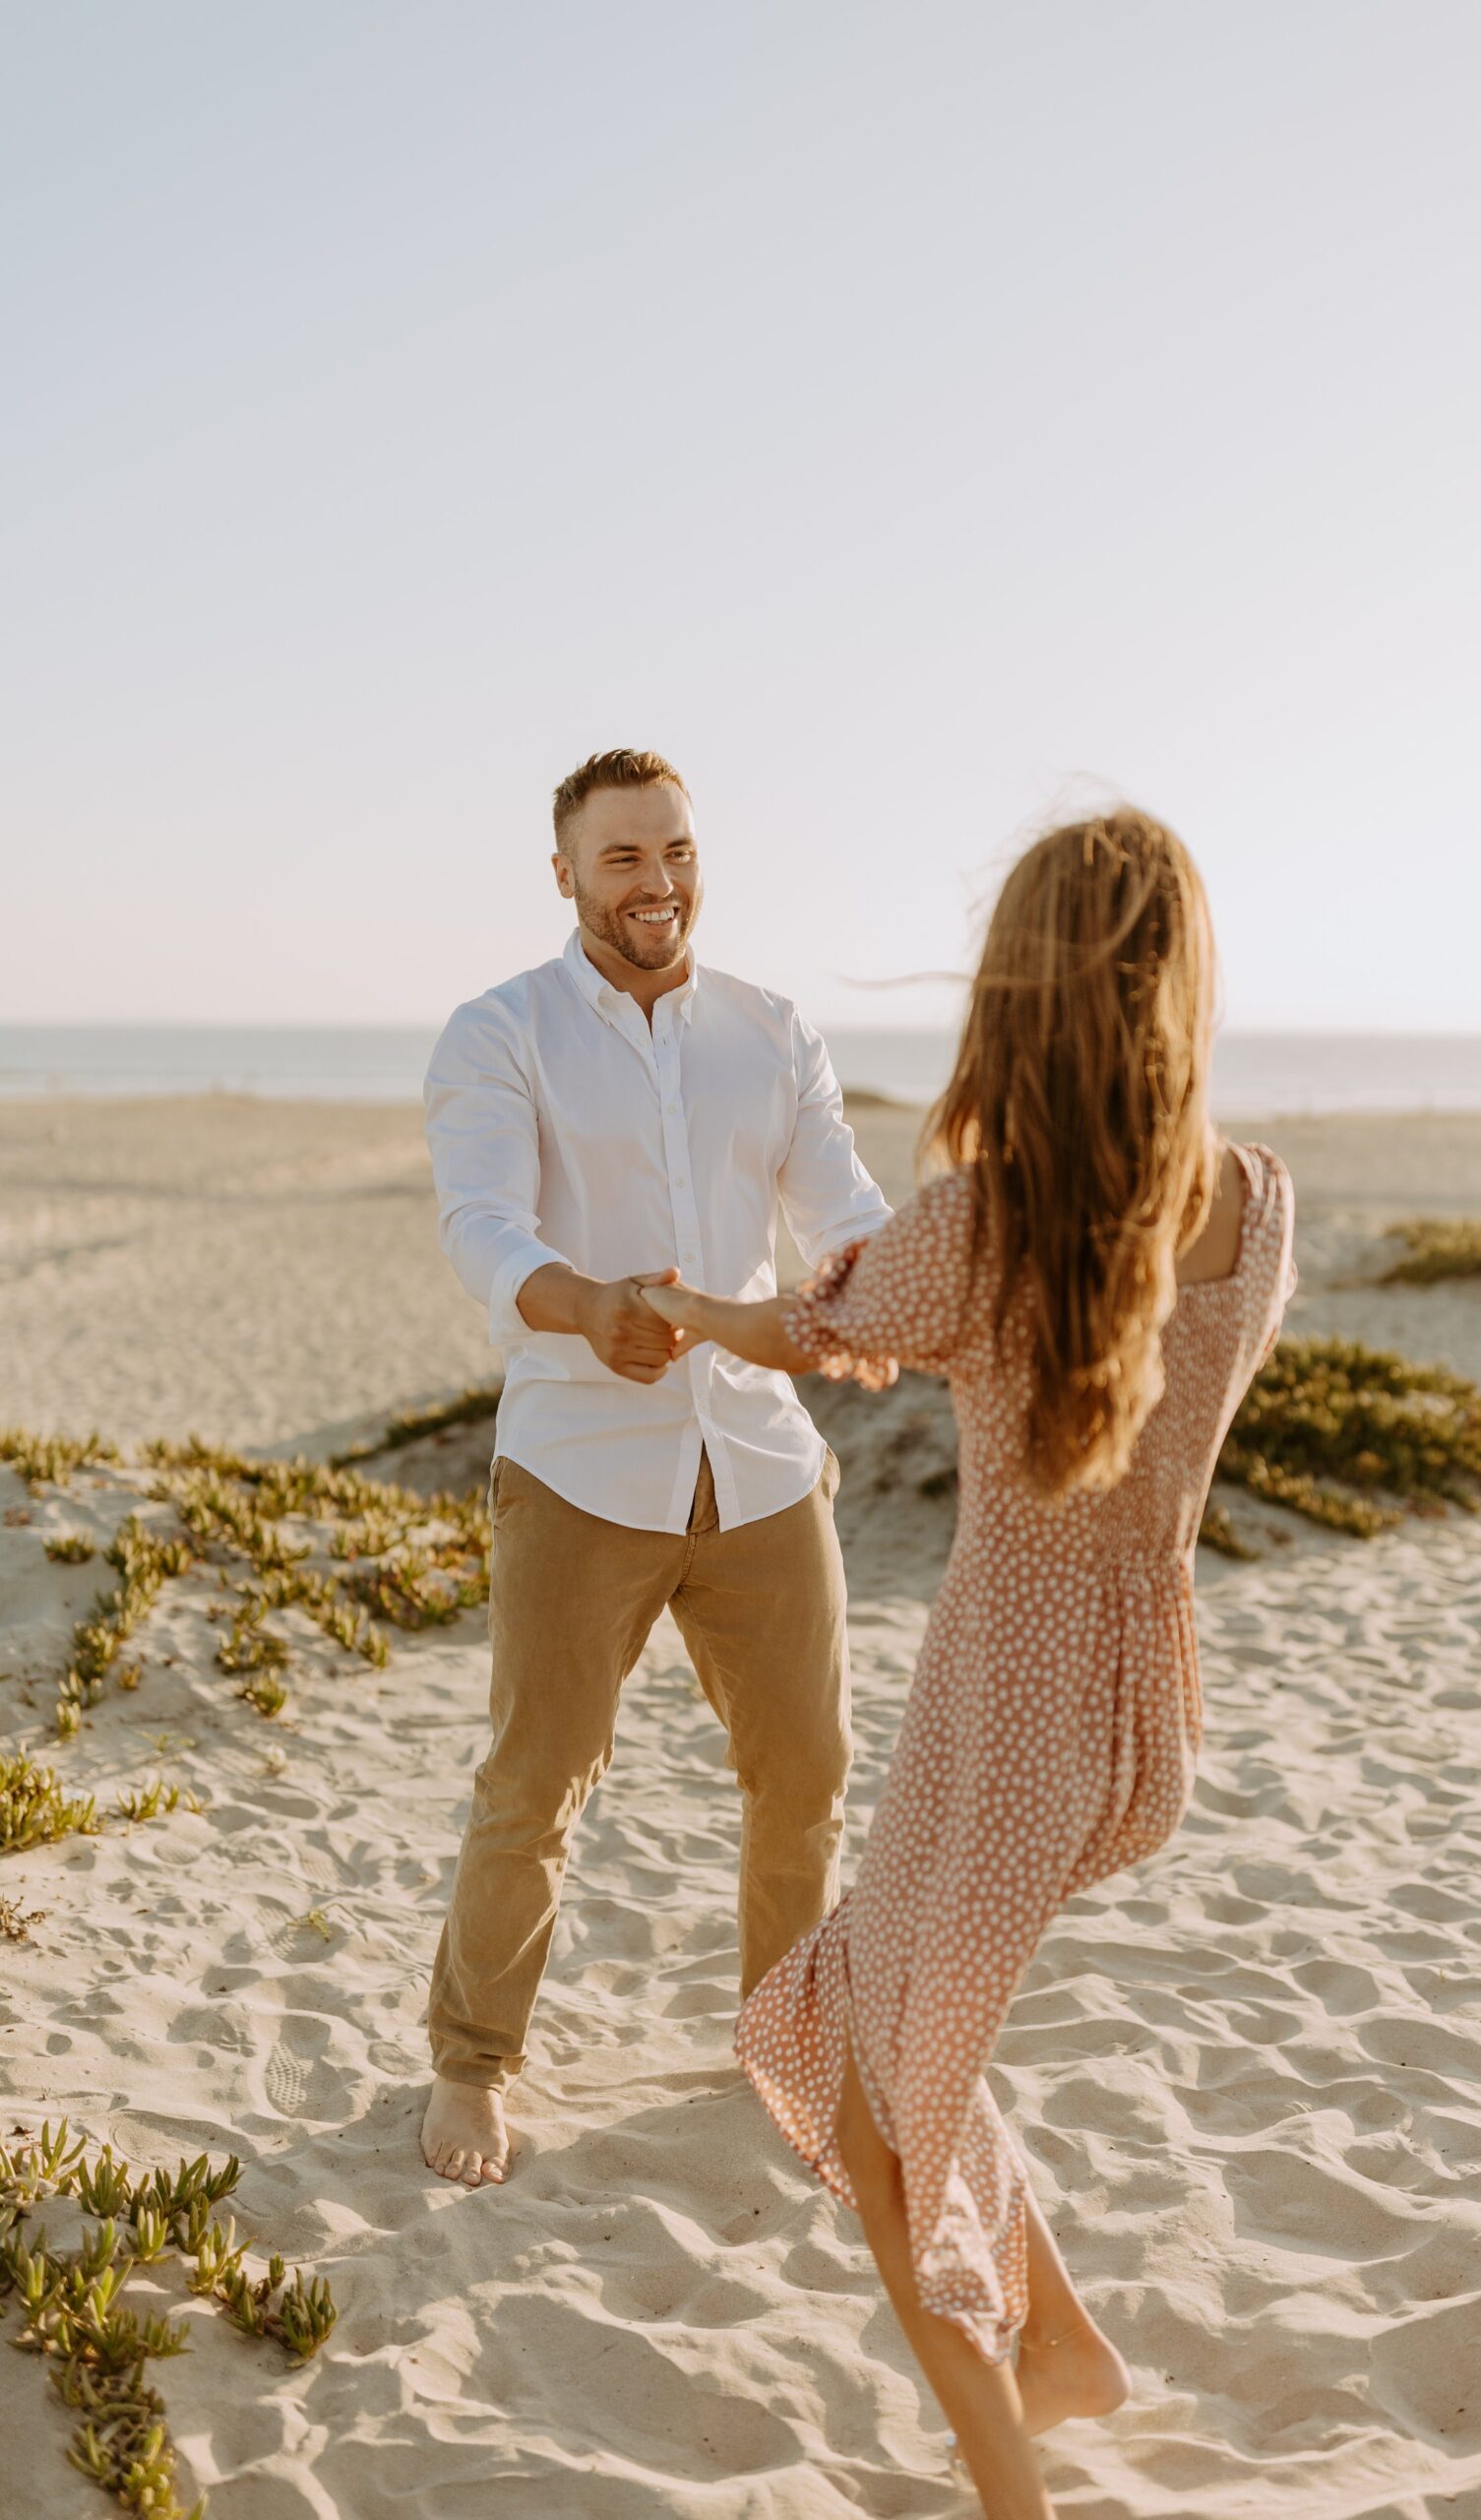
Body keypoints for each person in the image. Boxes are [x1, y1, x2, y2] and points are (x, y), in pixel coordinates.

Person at [641, 808, 1296, 2520]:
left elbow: (815, 1326)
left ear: (1026, 998)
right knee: (875, 2015)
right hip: (1146, 1714)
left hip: (1003, 1722)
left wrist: (695, 1311)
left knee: (882, 2119)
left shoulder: (990, 1224)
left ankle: (1013, 2487)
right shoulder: (1260, 1207)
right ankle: (1065, 2346)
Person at [419, 747, 892, 2188]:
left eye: (675, 851)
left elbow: (849, 1216)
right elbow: (482, 1224)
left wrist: (891, 1291)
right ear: (564, 873)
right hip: (578, 1464)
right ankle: (470, 2064)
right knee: (536, 1782)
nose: (657, 882)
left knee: (805, 1778)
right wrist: (587, 1306)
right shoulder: (498, 1031)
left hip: (759, 1461)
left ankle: (788, 2045)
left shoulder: (772, 1028)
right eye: (622, 857)